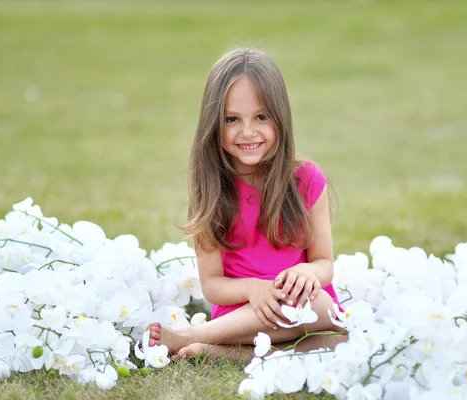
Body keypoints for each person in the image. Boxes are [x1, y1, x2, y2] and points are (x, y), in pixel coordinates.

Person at [147, 48, 347, 361]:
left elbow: (324, 263)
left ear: (280, 117)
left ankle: (221, 353)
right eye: (232, 119)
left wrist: (308, 273)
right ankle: (195, 337)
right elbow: (212, 284)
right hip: (241, 316)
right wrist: (253, 290)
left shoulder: (306, 179)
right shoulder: (212, 187)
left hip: (303, 308)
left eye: (261, 117)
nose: (248, 132)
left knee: (332, 325)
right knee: (316, 319)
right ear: (214, 123)